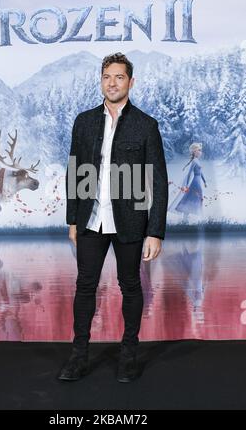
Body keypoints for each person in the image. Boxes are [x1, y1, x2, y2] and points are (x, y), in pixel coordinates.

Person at [58, 52, 168, 382]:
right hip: (91, 221)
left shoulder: (146, 125)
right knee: (85, 287)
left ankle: (128, 356)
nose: (112, 82)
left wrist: (156, 231)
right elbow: (75, 171)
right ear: (101, 81)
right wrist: (73, 220)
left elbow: (159, 181)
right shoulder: (84, 121)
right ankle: (78, 358)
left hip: (130, 222)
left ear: (130, 82)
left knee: (130, 285)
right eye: (107, 77)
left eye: (119, 77)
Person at [168, 142, 207, 222]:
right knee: (195, 197)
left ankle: (187, 217)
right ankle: (189, 217)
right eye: (199, 150)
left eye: (200, 150)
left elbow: (201, 172)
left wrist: (204, 181)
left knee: (195, 197)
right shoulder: (194, 161)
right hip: (195, 182)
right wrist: (186, 185)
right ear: (194, 151)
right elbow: (189, 173)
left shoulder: (197, 161)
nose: (200, 152)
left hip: (198, 181)